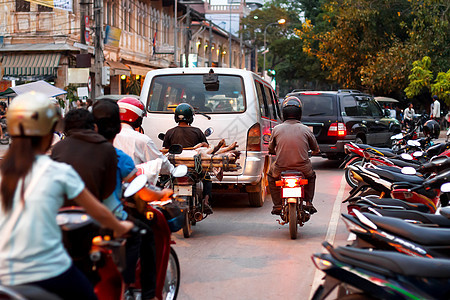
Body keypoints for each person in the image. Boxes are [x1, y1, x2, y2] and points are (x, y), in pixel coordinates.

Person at [0, 91, 133, 300]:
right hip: (49, 272)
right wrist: (121, 227)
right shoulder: (56, 171)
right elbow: (99, 211)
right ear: (49, 132)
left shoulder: (4, 172)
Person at [92, 99, 172, 300]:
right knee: (143, 232)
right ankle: (136, 288)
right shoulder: (118, 156)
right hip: (110, 216)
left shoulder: (62, 151)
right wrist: (162, 194)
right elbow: (144, 190)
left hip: (73, 219)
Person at [51, 109, 118, 204]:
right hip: (94, 208)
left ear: (65, 130)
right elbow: (108, 190)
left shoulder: (58, 147)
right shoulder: (107, 148)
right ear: (95, 128)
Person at [267, 96, 320, 215]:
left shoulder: (276, 129)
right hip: (303, 168)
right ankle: (309, 203)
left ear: (283, 113)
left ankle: (277, 205)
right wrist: (314, 152)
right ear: (299, 113)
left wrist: (275, 151)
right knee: (311, 177)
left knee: (271, 176)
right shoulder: (306, 129)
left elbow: (271, 148)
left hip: (281, 167)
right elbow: (316, 149)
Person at [163, 103, 213, 214]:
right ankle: (206, 201)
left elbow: (165, 149)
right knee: (207, 179)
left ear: (176, 117)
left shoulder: (170, 132)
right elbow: (206, 147)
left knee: (163, 180)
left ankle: (163, 200)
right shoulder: (197, 131)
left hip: (175, 167)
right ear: (191, 117)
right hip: (194, 168)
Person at [113, 97, 174, 175]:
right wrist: (172, 170)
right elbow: (160, 164)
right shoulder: (142, 140)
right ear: (138, 119)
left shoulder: (106, 136)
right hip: (132, 183)